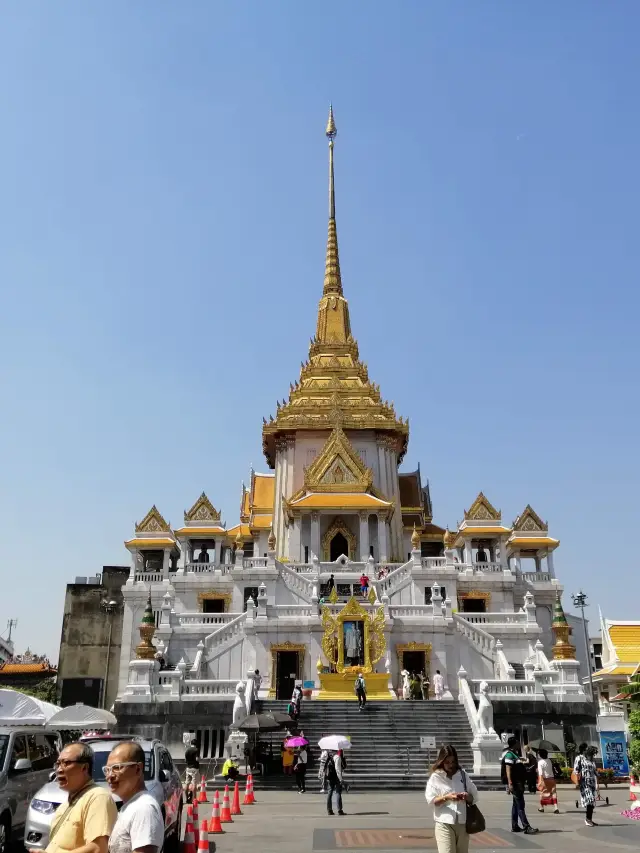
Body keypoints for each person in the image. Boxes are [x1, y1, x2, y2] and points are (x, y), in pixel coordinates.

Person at [40, 741, 117, 853]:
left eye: (66, 763)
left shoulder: (98, 797)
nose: (59, 770)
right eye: (58, 764)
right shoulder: (66, 805)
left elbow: (98, 849)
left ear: (84, 768)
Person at [105, 742, 164, 853]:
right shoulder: (130, 806)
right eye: (107, 769)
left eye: (117, 768)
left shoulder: (144, 809)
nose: (110, 776)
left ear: (138, 769)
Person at [425, 744, 479, 853]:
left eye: (453, 762)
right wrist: (447, 797)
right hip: (444, 822)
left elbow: (475, 796)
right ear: (441, 761)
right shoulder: (436, 777)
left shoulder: (462, 775)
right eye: (447, 762)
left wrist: (466, 796)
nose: (450, 765)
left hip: (463, 823)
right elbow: (431, 800)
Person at [502, 737, 538, 835]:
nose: (519, 744)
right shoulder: (509, 754)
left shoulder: (514, 754)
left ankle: (515, 826)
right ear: (514, 743)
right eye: (518, 742)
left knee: (515, 805)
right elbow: (508, 769)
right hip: (515, 783)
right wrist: (510, 784)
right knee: (520, 805)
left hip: (519, 783)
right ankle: (526, 826)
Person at [574, 746, 598, 826]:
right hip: (584, 783)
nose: (593, 756)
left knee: (591, 802)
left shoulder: (591, 760)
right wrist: (577, 782)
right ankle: (587, 820)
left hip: (592, 783)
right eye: (592, 754)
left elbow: (595, 771)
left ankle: (589, 819)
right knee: (590, 799)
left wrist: (601, 775)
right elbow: (576, 770)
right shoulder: (580, 758)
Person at [536, 748, 559, 814]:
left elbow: (540, 773)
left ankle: (542, 807)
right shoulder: (549, 760)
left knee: (542, 793)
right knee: (553, 793)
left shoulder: (540, 762)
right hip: (551, 778)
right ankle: (556, 807)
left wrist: (540, 782)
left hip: (545, 779)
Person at [323, 751, 345, 816]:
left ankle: (329, 810)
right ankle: (339, 810)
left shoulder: (329, 757)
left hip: (330, 777)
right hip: (336, 777)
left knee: (330, 793)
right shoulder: (337, 757)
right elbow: (338, 769)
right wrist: (341, 779)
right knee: (338, 793)